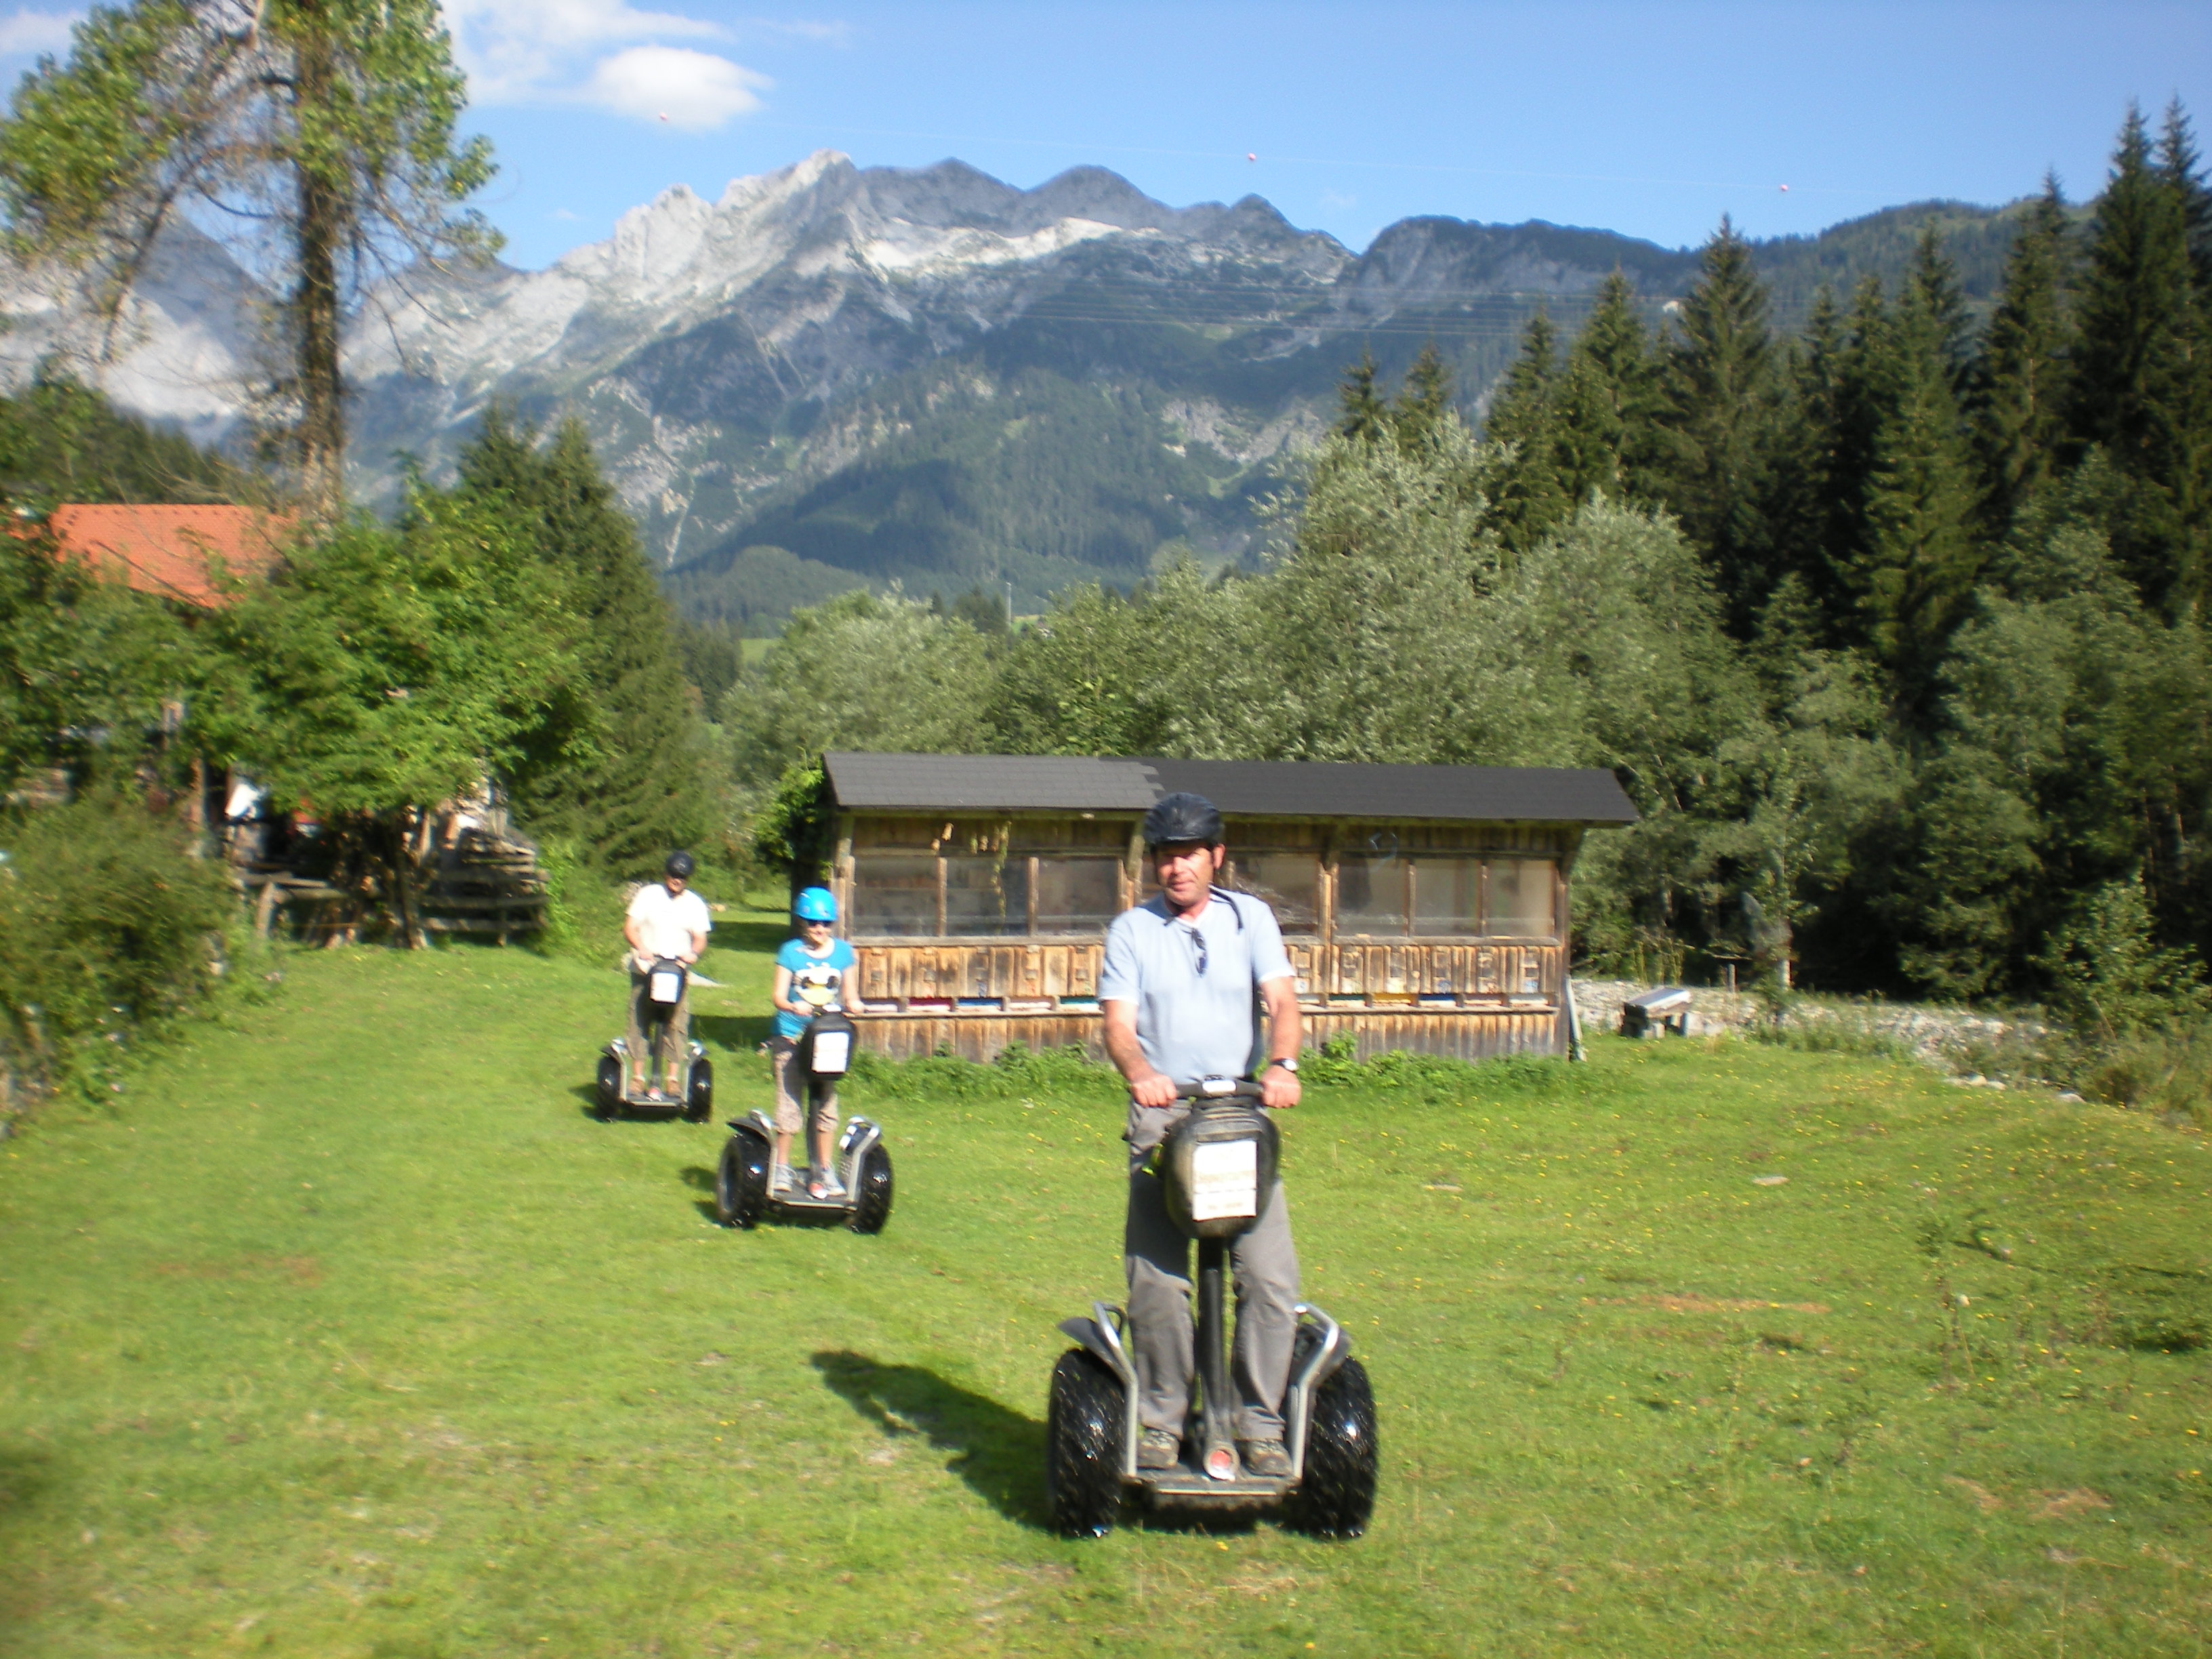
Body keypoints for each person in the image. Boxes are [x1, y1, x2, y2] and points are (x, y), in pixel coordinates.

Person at [1098, 792, 1304, 1477]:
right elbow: (1120, 1028)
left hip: (1239, 1114)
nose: (1175, 868)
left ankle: (1260, 1425)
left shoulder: (1253, 920)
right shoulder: (1132, 930)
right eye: (1164, 855)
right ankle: (1162, 1420)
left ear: (1217, 856)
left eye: (1188, 854)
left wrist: (1282, 1064)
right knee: (1157, 1282)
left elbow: (1281, 1002)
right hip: (1166, 1119)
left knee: (1270, 1280)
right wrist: (1141, 1073)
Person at [770, 886, 857, 1198]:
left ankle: (823, 1168)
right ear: (801, 923)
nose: (819, 930)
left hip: (827, 1039)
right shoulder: (790, 952)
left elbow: (851, 996)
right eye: (812, 923)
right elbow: (778, 996)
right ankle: (781, 1166)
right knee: (789, 1103)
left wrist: (855, 1006)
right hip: (792, 1037)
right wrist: (794, 1006)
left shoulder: (844, 952)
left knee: (826, 1107)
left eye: (825, 924)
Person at [623, 851, 712, 1099]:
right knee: (640, 1020)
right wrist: (641, 947)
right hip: (646, 968)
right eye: (673, 875)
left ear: (687, 878)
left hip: (677, 970)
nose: (677, 880)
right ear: (666, 874)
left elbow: (700, 938)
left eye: (682, 877)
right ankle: (638, 1078)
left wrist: (693, 953)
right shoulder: (648, 895)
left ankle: (672, 1079)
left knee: (676, 1023)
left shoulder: (695, 903)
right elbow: (630, 927)